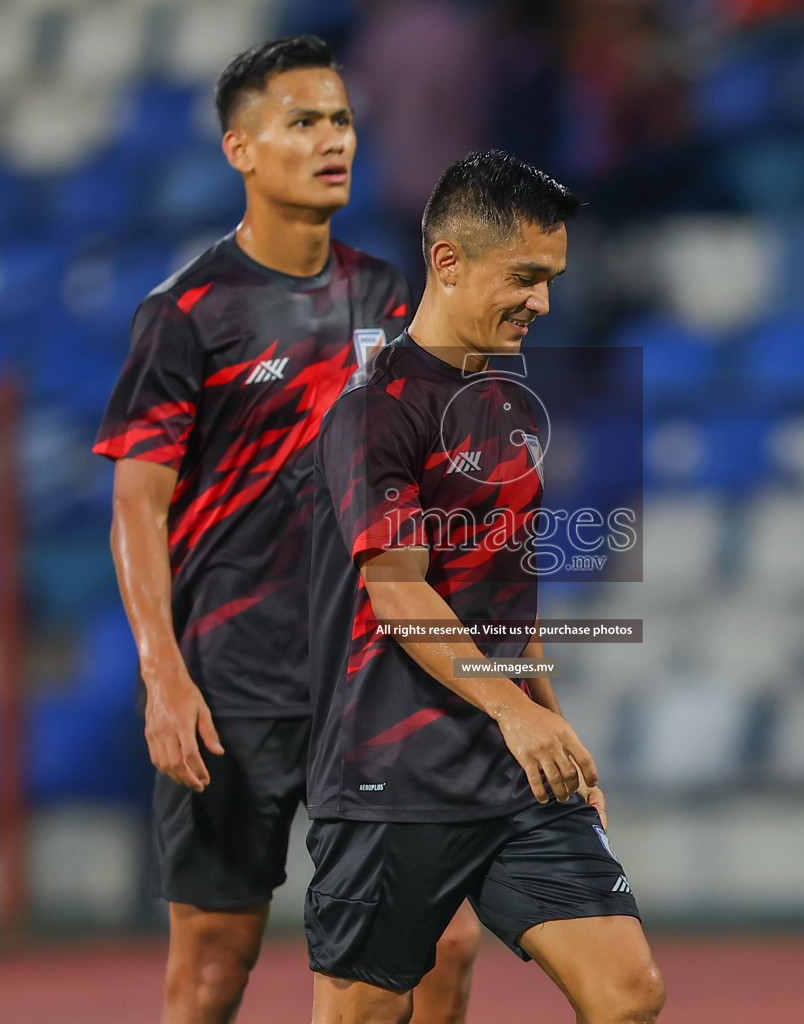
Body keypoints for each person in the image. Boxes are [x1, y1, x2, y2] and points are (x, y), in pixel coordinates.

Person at [96, 36, 481, 1024]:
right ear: (241, 150)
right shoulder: (186, 314)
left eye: (342, 119)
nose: (331, 140)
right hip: (236, 686)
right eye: (302, 122)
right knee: (214, 970)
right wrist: (163, 674)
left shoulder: (393, 298)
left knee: (441, 941)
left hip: (369, 680)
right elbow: (137, 502)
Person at [306, 150, 664, 1024]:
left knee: (628, 993)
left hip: (510, 776)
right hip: (392, 772)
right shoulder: (373, 407)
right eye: (528, 277)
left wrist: (555, 728)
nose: (543, 301)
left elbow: (510, 600)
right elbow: (398, 592)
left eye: (551, 280)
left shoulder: (505, 404)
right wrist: (515, 711)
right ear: (450, 262)